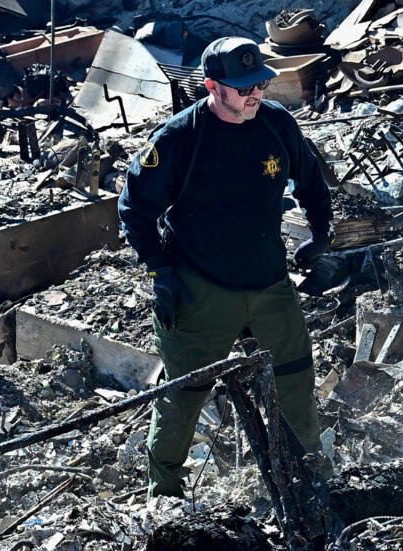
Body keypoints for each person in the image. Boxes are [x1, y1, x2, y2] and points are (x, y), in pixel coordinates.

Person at [118, 36, 335, 498]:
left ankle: (311, 475)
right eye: (242, 88)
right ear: (212, 86)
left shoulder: (277, 124)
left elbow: (313, 181)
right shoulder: (179, 139)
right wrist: (161, 272)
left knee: (294, 377)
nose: (254, 94)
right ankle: (166, 491)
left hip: (270, 282)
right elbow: (134, 209)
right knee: (184, 393)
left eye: (259, 83)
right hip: (201, 288)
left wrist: (321, 235)